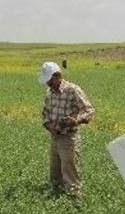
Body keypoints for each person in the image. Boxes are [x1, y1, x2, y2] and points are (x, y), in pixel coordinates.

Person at [39, 61, 94, 197]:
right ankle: (56, 197)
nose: (47, 83)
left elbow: (89, 109)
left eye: (49, 80)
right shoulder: (49, 92)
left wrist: (77, 120)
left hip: (69, 138)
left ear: (58, 76)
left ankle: (75, 201)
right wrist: (48, 125)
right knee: (55, 173)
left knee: (70, 173)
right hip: (55, 137)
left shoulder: (72, 90)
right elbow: (45, 113)